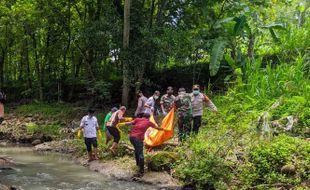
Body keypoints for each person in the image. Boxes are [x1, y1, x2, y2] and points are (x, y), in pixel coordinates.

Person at [123, 112, 164, 177]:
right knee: (141, 154)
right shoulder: (148, 122)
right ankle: (141, 171)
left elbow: (129, 123)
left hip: (131, 137)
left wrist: (121, 123)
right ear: (148, 117)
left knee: (136, 150)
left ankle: (137, 165)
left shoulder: (137, 119)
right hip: (138, 138)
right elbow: (157, 128)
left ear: (143, 116)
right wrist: (164, 129)